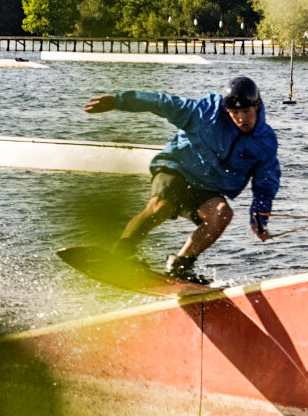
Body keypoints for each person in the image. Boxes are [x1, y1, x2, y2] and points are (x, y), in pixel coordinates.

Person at [84, 75, 280, 280]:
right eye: (235, 113)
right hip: (176, 167)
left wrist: (259, 216)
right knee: (161, 206)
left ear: (257, 106)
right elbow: (163, 103)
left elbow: (265, 182)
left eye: (246, 112)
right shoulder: (206, 113)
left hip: (205, 188)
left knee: (222, 214)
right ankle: (120, 253)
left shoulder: (265, 142)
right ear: (227, 109)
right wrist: (119, 101)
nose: (241, 119)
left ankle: (180, 265)